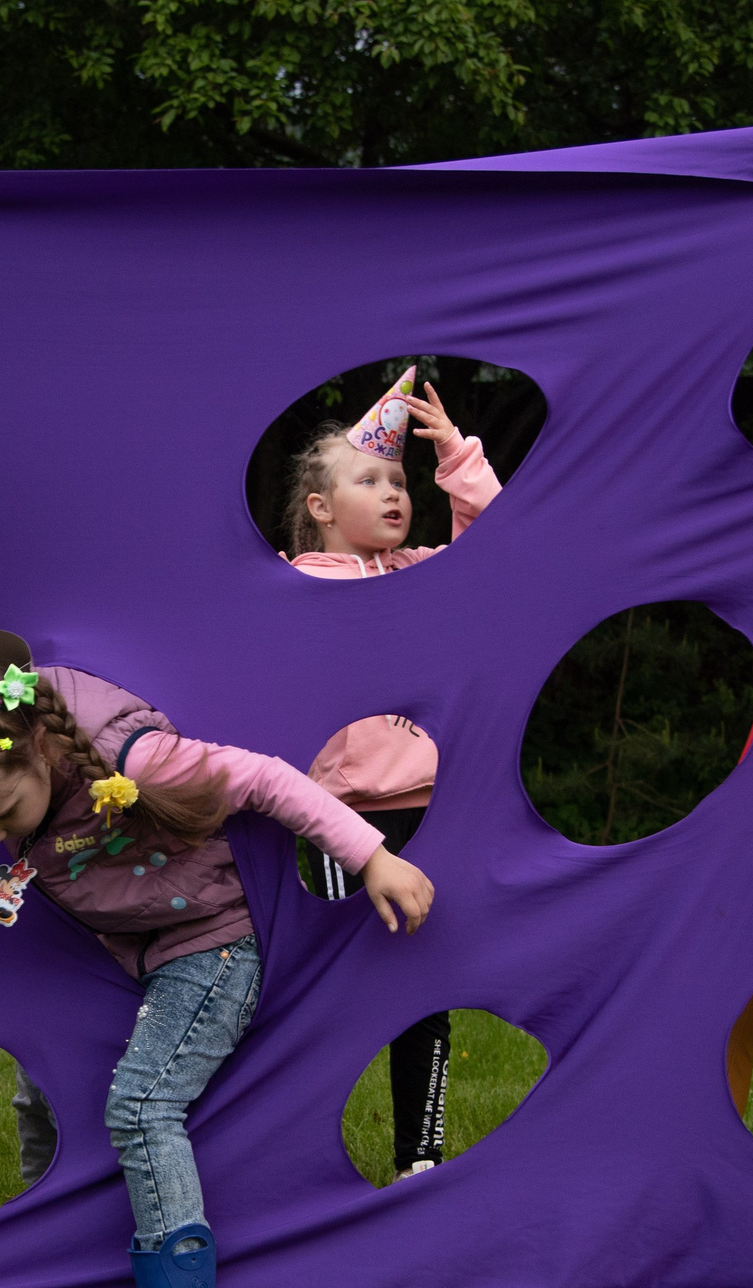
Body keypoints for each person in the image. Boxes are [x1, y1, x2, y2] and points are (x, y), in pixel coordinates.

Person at [0, 629, 436, 1288]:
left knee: (142, 1103)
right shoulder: (11, 764)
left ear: (42, 748)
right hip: (130, 953)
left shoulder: (135, 761)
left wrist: (371, 855)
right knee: (44, 1087)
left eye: (3, 813)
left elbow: (265, 780)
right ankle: (47, 1252)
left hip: (210, 948)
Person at [280, 367, 502, 1178]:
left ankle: (423, 1159)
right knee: (347, 992)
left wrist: (455, 457)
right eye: (368, 480)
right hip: (346, 819)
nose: (392, 493)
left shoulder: (421, 569)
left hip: (429, 810)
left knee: (423, 990)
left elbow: (499, 551)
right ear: (320, 509)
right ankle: (304, 1156)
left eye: (399, 480)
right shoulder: (301, 583)